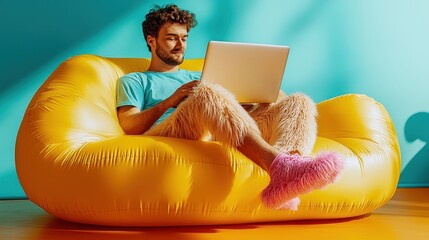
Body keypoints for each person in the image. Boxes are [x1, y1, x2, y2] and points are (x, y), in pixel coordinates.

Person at [116, 4, 343, 210]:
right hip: (168, 131)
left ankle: (289, 176)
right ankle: (280, 167)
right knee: (205, 91)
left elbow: (226, 105)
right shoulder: (136, 80)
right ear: (151, 41)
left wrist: (247, 103)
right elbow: (128, 124)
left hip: (215, 130)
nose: (180, 45)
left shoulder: (200, 75)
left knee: (297, 101)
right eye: (171, 38)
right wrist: (172, 100)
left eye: (184, 38)